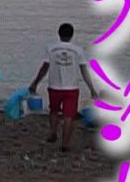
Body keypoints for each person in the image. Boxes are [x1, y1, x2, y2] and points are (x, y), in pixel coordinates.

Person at [28, 23, 100, 153]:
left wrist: (35, 82)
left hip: (54, 86)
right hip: (72, 88)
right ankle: (65, 144)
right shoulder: (78, 50)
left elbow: (44, 68)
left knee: (54, 111)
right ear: (72, 35)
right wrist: (92, 88)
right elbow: (84, 71)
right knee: (69, 116)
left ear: (59, 34)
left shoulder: (50, 48)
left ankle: (53, 132)